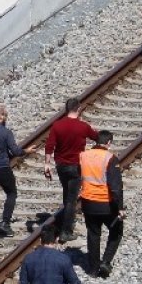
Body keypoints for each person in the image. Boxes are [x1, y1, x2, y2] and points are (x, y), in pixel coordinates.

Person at [44, 98, 98, 242]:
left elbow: (49, 146)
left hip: (61, 165)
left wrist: (47, 163)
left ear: (66, 109)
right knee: (71, 199)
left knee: (67, 193)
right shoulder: (83, 127)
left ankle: (64, 222)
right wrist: (90, 126)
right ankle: (66, 231)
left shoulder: (57, 126)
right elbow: (97, 137)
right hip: (76, 166)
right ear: (78, 109)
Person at [0, 103, 34, 238]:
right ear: (0, 116)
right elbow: (16, 151)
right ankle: (5, 223)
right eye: (5, 116)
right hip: (2, 168)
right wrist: (26, 151)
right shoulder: (6, 132)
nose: (6, 119)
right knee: (11, 193)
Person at [78, 131, 124, 278]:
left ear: (95, 141)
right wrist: (120, 208)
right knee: (116, 230)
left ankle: (92, 269)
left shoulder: (83, 155)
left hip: (88, 202)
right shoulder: (110, 158)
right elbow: (115, 187)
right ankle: (106, 261)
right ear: (109, 143)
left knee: (93, 234)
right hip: (106, 203)